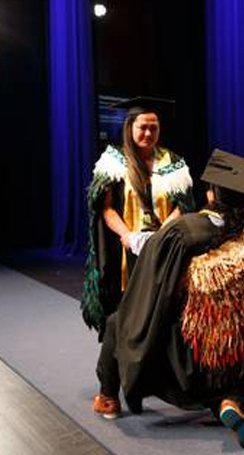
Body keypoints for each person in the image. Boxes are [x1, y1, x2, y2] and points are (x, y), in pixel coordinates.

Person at [93, 150, 244, 448]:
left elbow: (153, 290)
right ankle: (231, 402)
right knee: (229, 367)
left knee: (121, 319)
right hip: (241, 350)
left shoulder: (186, 231)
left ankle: (107, 398)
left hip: (192, 351)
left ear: (209, 194)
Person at [81, 97, 195, 335]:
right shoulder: (114, 161)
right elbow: (105, 208)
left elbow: (184, 204)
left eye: (154, 128)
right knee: (131, 311)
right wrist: (128, 236)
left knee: (164, 308)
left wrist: (162, 235)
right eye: (142, 127)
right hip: (128, 249)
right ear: (129, 127)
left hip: (164, 246)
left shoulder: (173, 162)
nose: (148, 133)